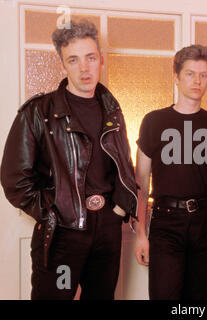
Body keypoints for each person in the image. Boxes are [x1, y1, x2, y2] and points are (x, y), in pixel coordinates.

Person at [0, 20, 137, 300]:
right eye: (73, 60)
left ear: (100, 60)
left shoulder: (113, 109)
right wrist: (54, 212)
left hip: (107, 232)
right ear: (62, 66)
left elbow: (123, 164)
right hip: (63, 236)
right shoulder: (39, 112)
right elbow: (15, 179)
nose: (84, 68)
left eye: (90, 58)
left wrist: (119, 212)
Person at [133, 44, 207, 300]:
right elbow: (141, 183)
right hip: (166, 223)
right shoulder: (154, 121)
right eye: (189, 74)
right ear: (176, 77)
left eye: (203, 75)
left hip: (206, 224)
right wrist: (141, 234)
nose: (197, 81)